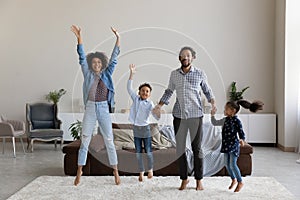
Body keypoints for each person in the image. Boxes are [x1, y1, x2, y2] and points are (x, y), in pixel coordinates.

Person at [153, 46, 216, 190]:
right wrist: (159, 105)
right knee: (180, 149)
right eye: (182, 56)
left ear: (193, 57)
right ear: (179, 58)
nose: (185, 58)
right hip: (179, 116)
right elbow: (169, 91)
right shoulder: (174, 74)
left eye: (188, 55)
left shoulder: (200, 73)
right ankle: (184, 179)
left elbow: (207, 90)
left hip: (195, 116)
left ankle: (199, 180)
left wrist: (213, 103)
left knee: (197, 149)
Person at [71, 25, 121, 186]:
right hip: (91, 108)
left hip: (104, 109)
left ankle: (115, 172)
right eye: (94, 62)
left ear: (102, 63)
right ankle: (79, 171)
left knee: (109, 140)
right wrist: (79, 37)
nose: (97, 64)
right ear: (91, 64)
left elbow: (114, 58)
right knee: (85, 139)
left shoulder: (107, 74)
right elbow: (81, 56)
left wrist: (118, 38)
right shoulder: (87, 73)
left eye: (99, 62)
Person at [210, 100, 263, 192]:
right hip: (226, 145)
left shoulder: (237, 121)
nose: (224, 111)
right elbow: (215, 123)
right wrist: (212, 115)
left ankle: (240, 181)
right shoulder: (225, 120)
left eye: (226, 109)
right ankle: (233, 179)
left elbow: (241, 132)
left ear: (233, 111)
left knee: (233, 164)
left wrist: (242, 139)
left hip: (234, 145)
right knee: (226, 164)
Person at [127, 64, 160, 182]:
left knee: (148, 150)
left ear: (149, 94)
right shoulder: (135, 99)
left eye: (147, 91)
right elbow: (128, 88)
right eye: (143, 91)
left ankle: (150, 169)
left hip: (145, 129)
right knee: (138, 152)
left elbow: (156, 116)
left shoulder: (150, 104)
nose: (145, 92)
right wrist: (132, 74)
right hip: (136, 129)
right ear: (139, 92)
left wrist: (158, 110)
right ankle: (141, 172)